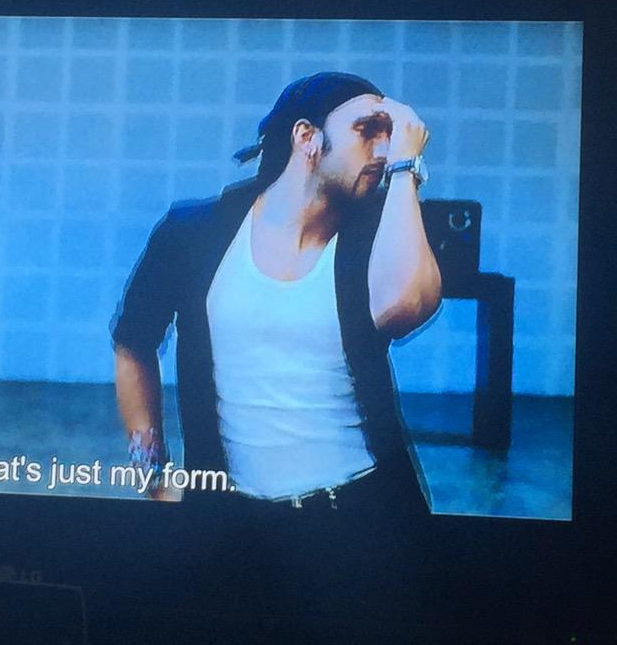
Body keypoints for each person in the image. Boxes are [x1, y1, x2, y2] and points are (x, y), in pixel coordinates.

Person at [112, 72, 441, 513]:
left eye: (391, 135)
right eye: (367, 131)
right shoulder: (195, 232)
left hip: (365, 509)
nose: (383, 151)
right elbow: (133, 341)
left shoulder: (383, 231)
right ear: (306, 137)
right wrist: (152, 477)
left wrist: (406, 169)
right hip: (232, 517)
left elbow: (404, 308)